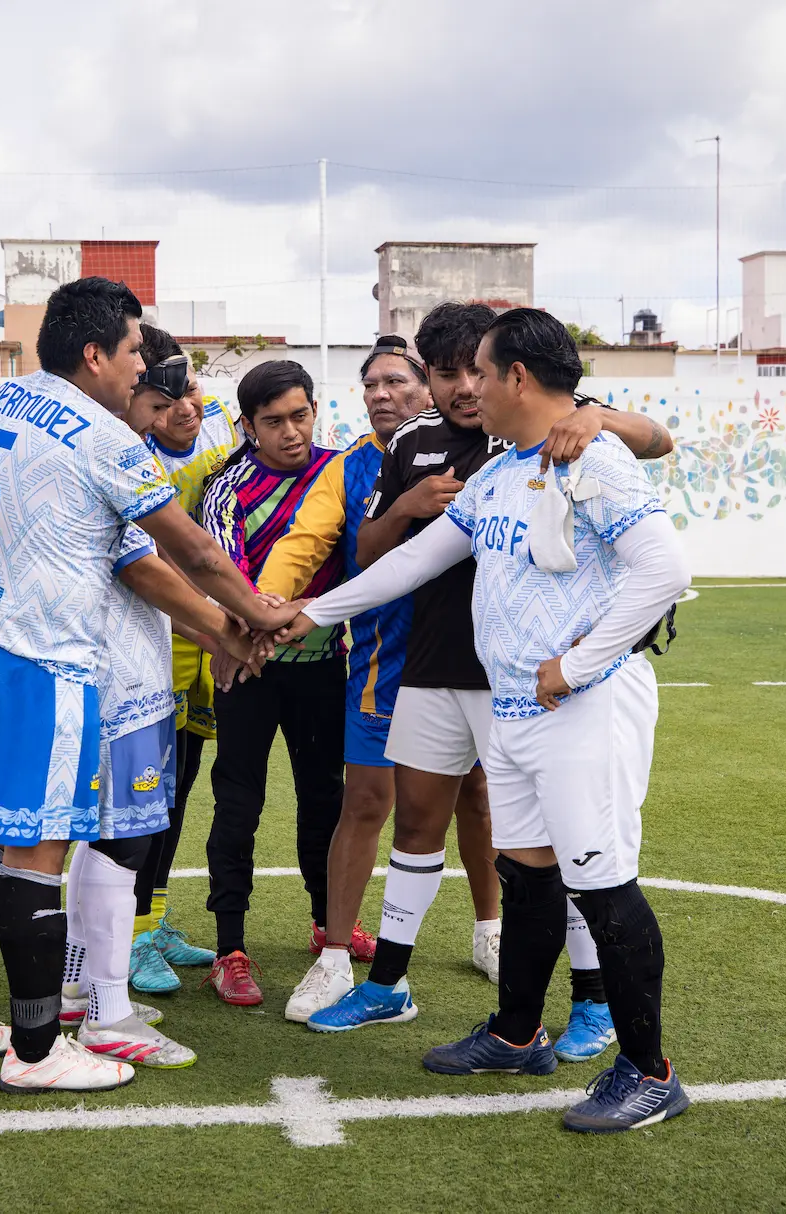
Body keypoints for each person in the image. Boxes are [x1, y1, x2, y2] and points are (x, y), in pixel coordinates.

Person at [276, 307, 692, 1132]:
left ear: (520, 380)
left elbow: (665, 571)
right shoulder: (504, 471)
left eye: (482, 371)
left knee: (602, 887)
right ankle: (515, 1032)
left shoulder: (594, 461)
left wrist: (573, 666)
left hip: (582, 707)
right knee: (529, 877)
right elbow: (415, 559)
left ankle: (650, 1073)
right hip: (519, 711)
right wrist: (312, 612)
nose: (467, 387)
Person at [0, 277, 289, 1093]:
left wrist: (218, 627)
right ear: (94, 354)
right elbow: (191, 553)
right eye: (132, 351)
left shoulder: (4, 400)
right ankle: (34, 1050)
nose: (141, 369)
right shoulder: (106, 438)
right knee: (37, 855)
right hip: (45, 659)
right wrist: (255, 617)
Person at [256, 335, 496, 1024]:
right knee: (367, 801)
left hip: (475, 656)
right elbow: (315, 543)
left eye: (398, 381)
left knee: (477, 796)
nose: (383, 395)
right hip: (384, 660)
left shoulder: (501, 442)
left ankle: (491, 932)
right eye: (371, 385)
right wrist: (264, 612)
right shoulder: (355, 464)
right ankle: (335, 959)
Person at [58, 332, 223, 1070]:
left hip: (98, 667)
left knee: (100, 837)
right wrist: (235, 625)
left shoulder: (67, 433)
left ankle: (76, 988)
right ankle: (107, 1011)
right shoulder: (112, 450)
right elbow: (160, 567)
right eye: (153, 399)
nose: (160, 413)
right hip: (117, 676)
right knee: (121, 841)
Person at [196, 359, 347, 1007]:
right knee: (239, 806)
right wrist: (258, 629)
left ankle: (328, 926)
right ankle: (230, 947)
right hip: (249, 672)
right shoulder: (227, 489)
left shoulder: (343, 471)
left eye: (300, 416)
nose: (290, 432)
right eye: (273, 422)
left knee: (326, 802)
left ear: (316, 410)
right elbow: (227, 581)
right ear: (247, 426)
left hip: (323, 670)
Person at [126, 329, 237, 993]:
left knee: (183, 784)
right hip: (156, 639)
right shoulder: (128, 454)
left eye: (189, 389)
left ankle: (156, 919)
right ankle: (131, 935)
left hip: (207, 640)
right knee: (146, 793)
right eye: (164, 402)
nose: (185, 409)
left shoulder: (223, 424)